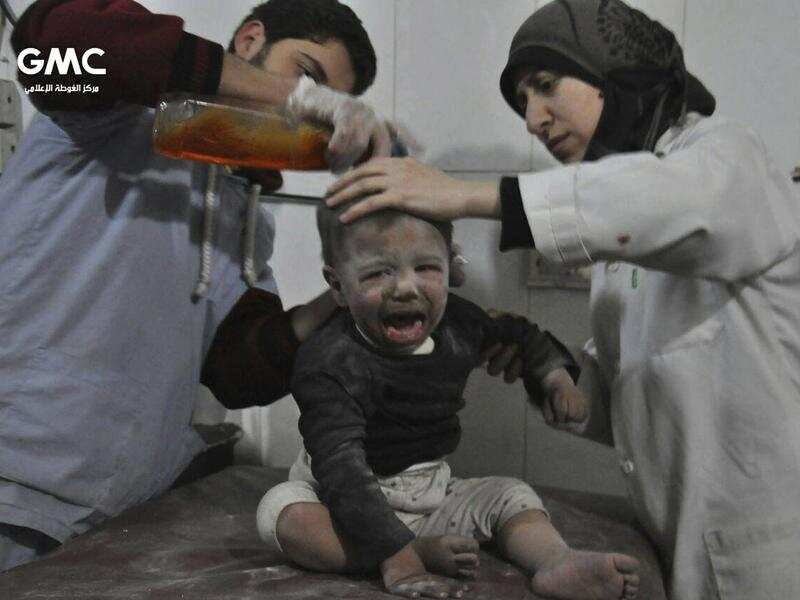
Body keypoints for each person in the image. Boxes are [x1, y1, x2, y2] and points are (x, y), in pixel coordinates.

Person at [324, 1, 800, 598]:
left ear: (619, 73)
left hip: (770, 551)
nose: (532, 118)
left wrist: (467, 195)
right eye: (523, 101)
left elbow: (675, 202)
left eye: (545, 87)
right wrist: (556, 376)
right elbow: (643, 397)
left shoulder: (731, 159)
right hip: (689, 542)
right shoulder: (621, 241)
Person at [0, 0, 397, 572]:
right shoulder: (106, 118)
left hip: (118, 509)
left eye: (335, 104)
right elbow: (48, 50)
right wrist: (290, 96)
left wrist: (346, 295)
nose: (317, 113)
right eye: (309, 75)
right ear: (250, 39)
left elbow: (234, 369)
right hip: (15, 483)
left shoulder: (245, 207)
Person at [256, 204, 641, 600]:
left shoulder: (459, 324)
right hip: (340, 499)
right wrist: (397, 555)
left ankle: (555, 560)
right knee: (283, 513)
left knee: (511, 494)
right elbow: (341, 468)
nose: (406, 287)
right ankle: (402, 551)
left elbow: (520, 336)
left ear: (450, 266)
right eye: (377, 273)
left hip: (430, 493)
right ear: (337, 286)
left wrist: (556, 379)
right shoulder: (327, 360)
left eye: (426, 268)